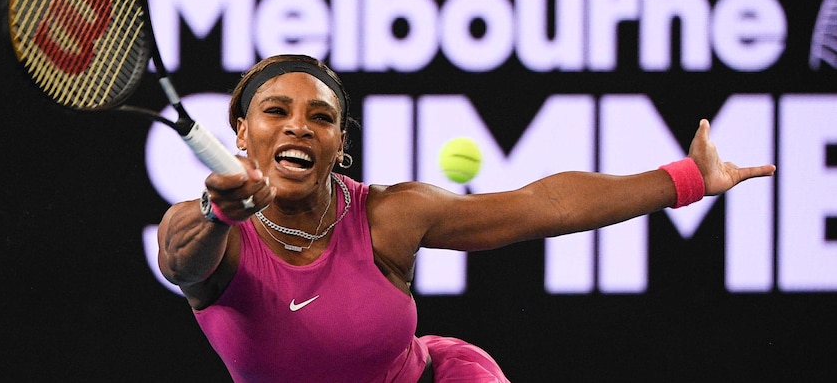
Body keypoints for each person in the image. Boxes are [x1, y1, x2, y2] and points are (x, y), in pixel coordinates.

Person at [157, 54, 776, 383]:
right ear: (242, 132)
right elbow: (177, 256)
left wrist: (689, 180)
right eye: (275, 111)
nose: (298, 125)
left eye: (320, 116)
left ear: (339, 143)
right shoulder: (212, 233)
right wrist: (216, 210)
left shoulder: (389, 215)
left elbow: (543, 205)